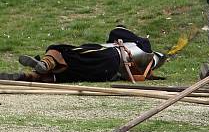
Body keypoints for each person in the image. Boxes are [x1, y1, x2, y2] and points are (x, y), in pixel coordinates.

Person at [7, 26, 165, 83]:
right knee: (68, 74)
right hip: (105, 74)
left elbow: (116, 31)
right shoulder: (142, 71)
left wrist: (121, 32)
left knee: (64, 50)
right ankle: (27, 77)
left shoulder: (143, 46)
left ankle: (44, 65)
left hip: (110, 56)